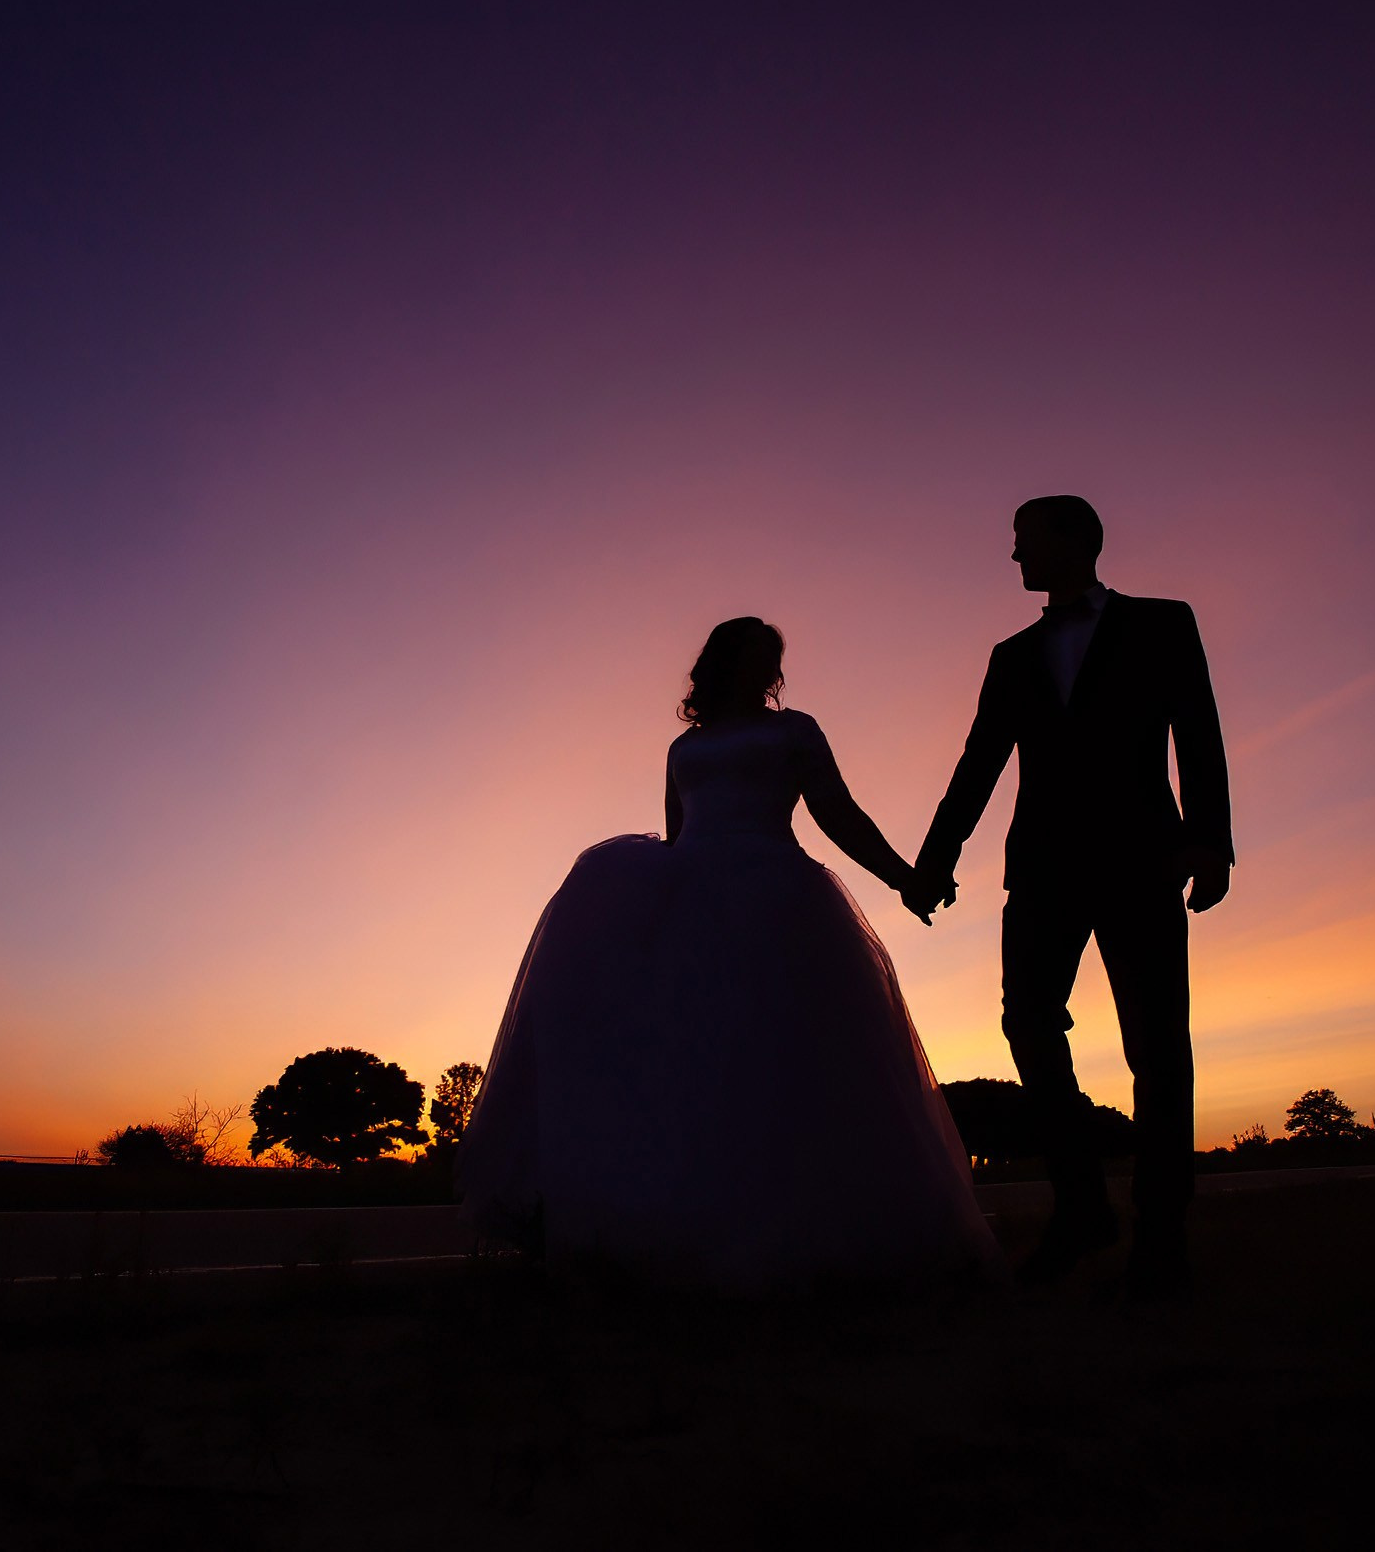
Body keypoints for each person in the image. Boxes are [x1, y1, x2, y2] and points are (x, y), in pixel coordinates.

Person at [457, 617, 999, 1287]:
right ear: (721, 662)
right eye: (752, 654)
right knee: (688, 1060)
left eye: (771, 657)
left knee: (785, 1057)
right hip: (691, 903)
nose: (764, 667)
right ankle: (662, 1224)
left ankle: (807, 1229)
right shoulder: (684, 747)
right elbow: (677, 832)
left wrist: (903, 877)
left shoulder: (794, 731)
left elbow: (837, 813)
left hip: (778, 899)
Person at [906, 496, 1232, 1296]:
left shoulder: (1162, 623)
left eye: (1024, 540)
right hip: (1043, 867)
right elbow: (979, 761)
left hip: (1142, 859)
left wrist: (1209, 840)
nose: (1015, 555)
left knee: (1157, 1045)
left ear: (1074, 540)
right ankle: (1083, 1205)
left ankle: (1161, 1236)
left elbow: (1198, 731)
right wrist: (935, 861)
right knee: (1027, 1023)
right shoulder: (1012, 655)